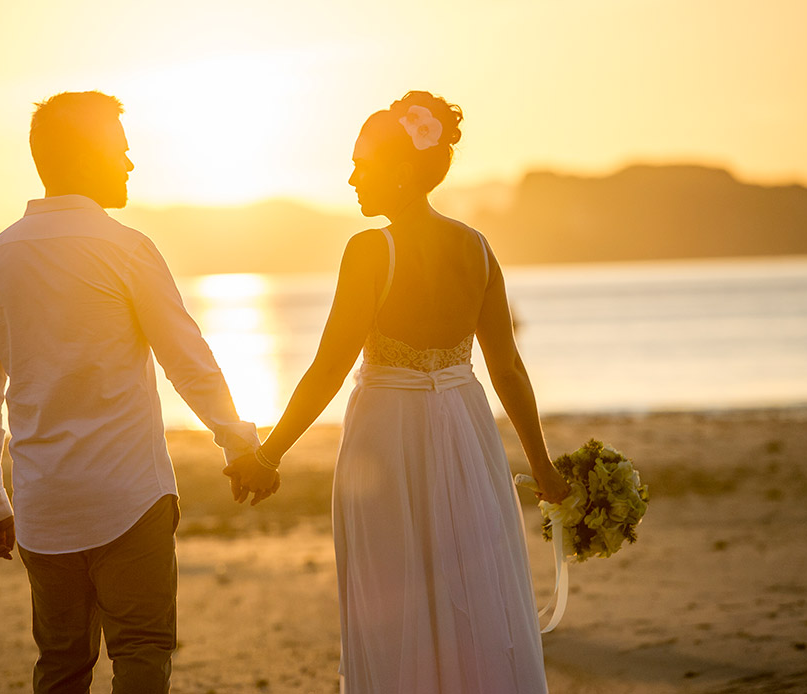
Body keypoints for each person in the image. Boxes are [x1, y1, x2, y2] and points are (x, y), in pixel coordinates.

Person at [226, 91, 570, 693]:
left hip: (387, 442)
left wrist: (269, 454)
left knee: (393, 601)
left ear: (405, 171)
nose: (352, 177)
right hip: (467, 436)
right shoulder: (477, 248)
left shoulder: (369, 251)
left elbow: (328, 369)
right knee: (472, 594)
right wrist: (542, 469)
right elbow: (508, 369)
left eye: (364, 164)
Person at [0, 90, 276, 694]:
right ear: (84, 157)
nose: (130, 164)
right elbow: (187, 359)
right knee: (143, 652)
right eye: (120, 151)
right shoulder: (126, 249)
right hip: (131, 497)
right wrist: (238, 445)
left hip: (45, 506)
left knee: (61, 666)